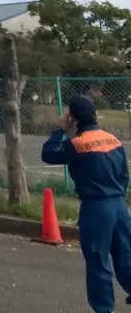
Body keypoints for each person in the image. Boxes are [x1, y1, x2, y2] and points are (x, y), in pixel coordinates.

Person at [41, 95, 131, 313]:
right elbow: (124, 176)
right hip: (119, 205)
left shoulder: (76, 144)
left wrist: (60, 129)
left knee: (98, 260)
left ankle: (103, 309)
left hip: (96, 208)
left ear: (72, 118)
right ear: (96, 114)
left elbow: (48, 154)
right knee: (126, 255)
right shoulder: (113, 139)